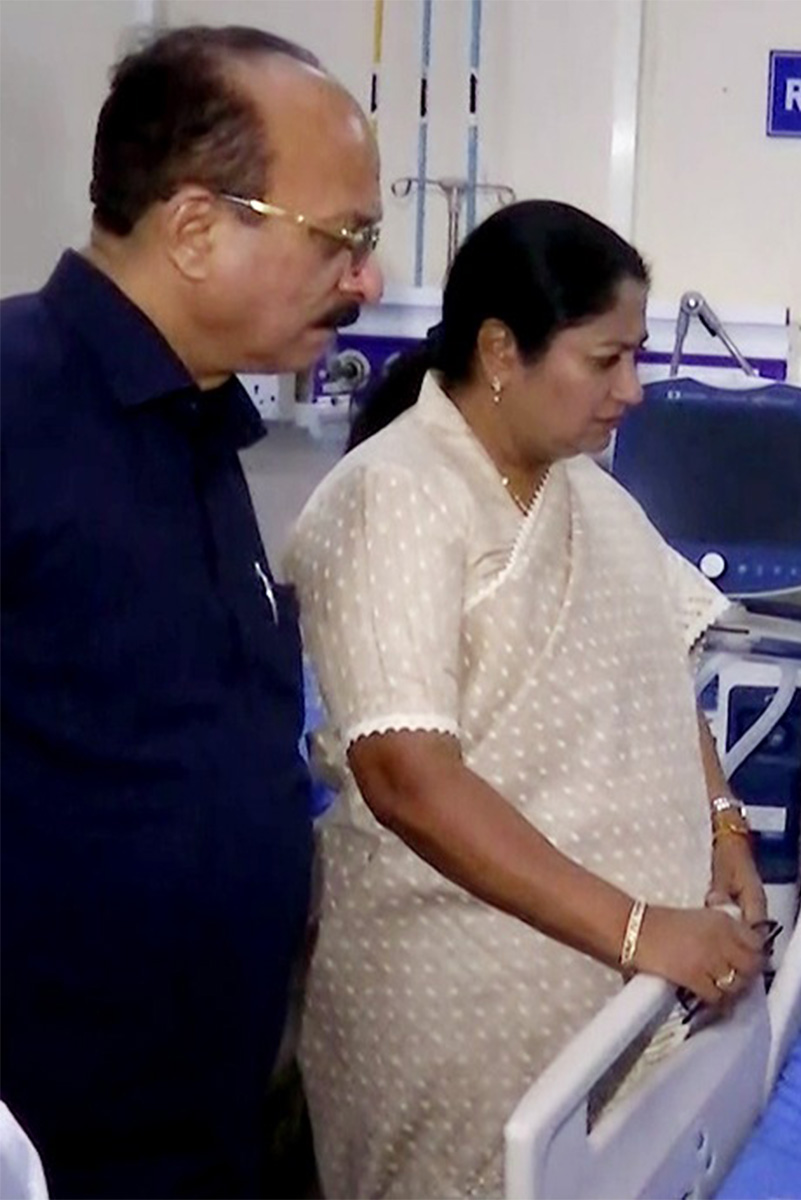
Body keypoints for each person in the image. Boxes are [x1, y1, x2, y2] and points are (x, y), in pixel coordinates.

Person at [283, 198, 770, 1197]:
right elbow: (406, 777)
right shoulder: (396, 497)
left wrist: (724, 832)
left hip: (622, 988)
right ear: (502, 351)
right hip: (461, 1000)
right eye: (605, 360)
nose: (631, 391)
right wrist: (643, 929)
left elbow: (657, 664)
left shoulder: (591, 492)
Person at [0, 24, 383, 1198]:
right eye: (343, 241)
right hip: (56, 1123)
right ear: (197, 228)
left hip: (201, 1101)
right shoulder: (17, 408)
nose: (365, 282)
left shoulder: (199, 428)